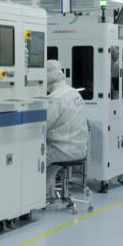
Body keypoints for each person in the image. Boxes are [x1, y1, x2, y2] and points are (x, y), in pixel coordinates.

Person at [44, 59, 89, 196]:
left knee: (35, 159)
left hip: (62, 150)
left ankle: (36, 199)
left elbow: (44, 125)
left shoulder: (55, 98)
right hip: (80, 149)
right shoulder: (74, 92)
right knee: (48, 164)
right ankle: (45, 195)